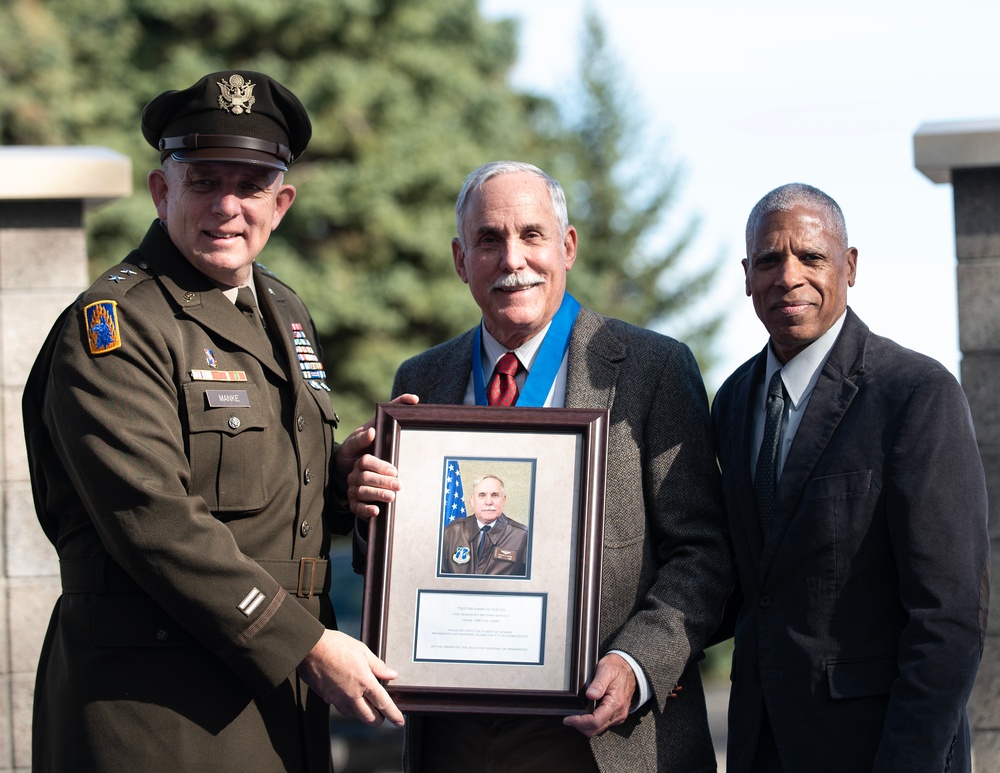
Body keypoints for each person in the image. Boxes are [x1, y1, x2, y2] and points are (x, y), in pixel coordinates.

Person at [21, 70, 405, 773]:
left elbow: (273, 499)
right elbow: (156, 522)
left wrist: (347, 483)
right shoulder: (113, 327)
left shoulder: (285, 312)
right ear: (161, 190)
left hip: (276, 704)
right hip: (156, 714)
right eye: (203, 181)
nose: (227, 206)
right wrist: (310, 645)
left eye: (251, 183)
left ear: (281, 202)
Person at [348, 161, 732, 772]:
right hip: (456, 737)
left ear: (568, 247)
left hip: (605, 737)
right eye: (488, 240)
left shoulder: (652, 370)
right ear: (459, 259)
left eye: (531, 235)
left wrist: (636, 664)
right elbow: (396, 562)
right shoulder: (420, 381)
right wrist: (371, 513)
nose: (512, 259)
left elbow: (705, 553)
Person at [711, 183, 990, 772]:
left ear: (850, 266)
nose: (788, 275)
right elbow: (746, 580)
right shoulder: (733, 400)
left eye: (811, 256)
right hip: (760, 746)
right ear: (745, 275)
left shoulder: (915, 394)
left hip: (877, 751)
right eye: (768, 259)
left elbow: (948, 617)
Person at [440, 473, 529, 576]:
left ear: (504, 500)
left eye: (495, 495)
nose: (488, 502)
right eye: (482, 495)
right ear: (472, 501)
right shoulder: (452, 532)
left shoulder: (523, 537)